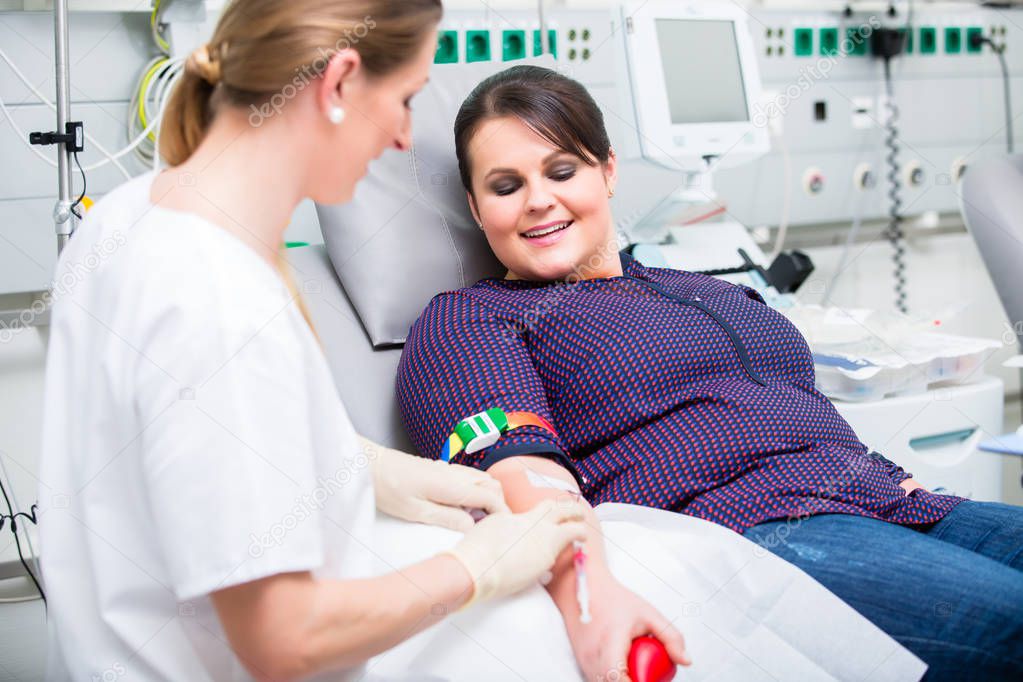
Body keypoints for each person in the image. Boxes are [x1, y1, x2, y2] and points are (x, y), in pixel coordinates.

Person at [396, 64, 1023, 680]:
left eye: (562, 170)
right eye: (505, 187)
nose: (539, 200)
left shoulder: (704, 290)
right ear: (477, 209)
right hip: (752, 529)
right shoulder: (472, 319)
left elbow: (792, 403)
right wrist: (590, 594)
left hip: (891, 501)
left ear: (608, 171)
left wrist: (892, 478)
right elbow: (522, 478)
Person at [36, 5, 592, 680]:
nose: (402, 137)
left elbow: (190, 442)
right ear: (339, 83)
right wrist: (477, 568)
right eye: (405, 99)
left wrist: (365, 469)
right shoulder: (222, 302)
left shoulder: (127, 218)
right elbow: (283, 639)